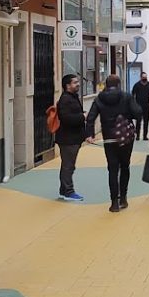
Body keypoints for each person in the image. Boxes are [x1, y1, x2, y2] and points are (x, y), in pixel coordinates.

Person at [86, 75, 141, 213]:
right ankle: (123, 198)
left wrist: (90, 134)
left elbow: (90, 117)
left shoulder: (100, 98)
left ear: (106, 84)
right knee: (125, 166)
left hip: (109, 138)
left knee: (112, 169)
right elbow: (137, 113)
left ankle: (114, 203)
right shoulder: (126, 96)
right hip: (125, 137)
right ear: (119, 84)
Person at [54, 74, 88, 202]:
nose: (78, 84)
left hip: (73, 138)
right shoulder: (65, 100)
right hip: (68, 139)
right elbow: (66, 118)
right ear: (68, 85)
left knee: (68, 165)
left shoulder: (72, 98)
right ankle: (68, 191)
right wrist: (82, 116)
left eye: (78, 81)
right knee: (68, 166)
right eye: (75, 82)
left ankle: (64, 190)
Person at [131, 72, 149, 137]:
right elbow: (133, 94)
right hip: (138, 105)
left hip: (147, 105)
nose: (144, 78)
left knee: (146, 121)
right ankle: (138, 135)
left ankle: (145, 136)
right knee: (138, 121)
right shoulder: (137, 85)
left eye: (145, 77)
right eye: (143, 77)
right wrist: (133, 104)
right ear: (141, 77)